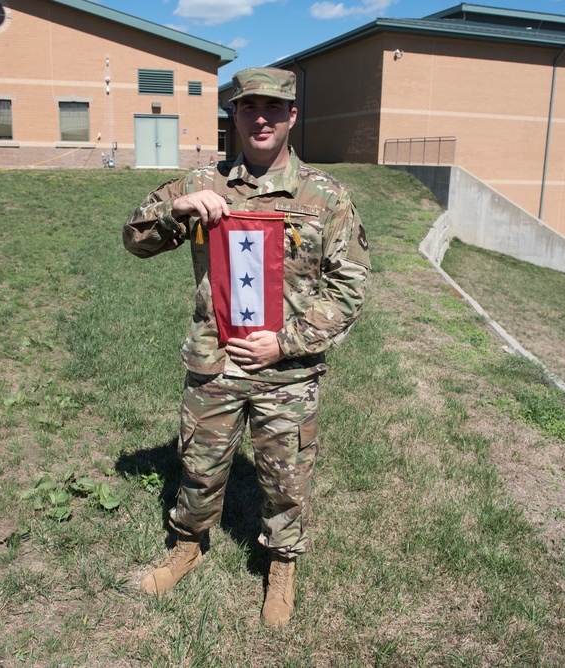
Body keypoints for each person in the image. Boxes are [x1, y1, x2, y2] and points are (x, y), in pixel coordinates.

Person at [123, 67, 370, 627]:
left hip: (287, 369)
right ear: (233, 115)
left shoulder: (326, 197)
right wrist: (174, 213)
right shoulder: (199, 183)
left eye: (274, 108)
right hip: (215, 360)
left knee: (286, 476)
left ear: (292, 116)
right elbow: (134, 240)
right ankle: (188, 543)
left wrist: (286, 342)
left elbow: (350, 285)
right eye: (248, 107)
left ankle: (281, 564)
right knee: (200, 464)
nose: (261, 117)